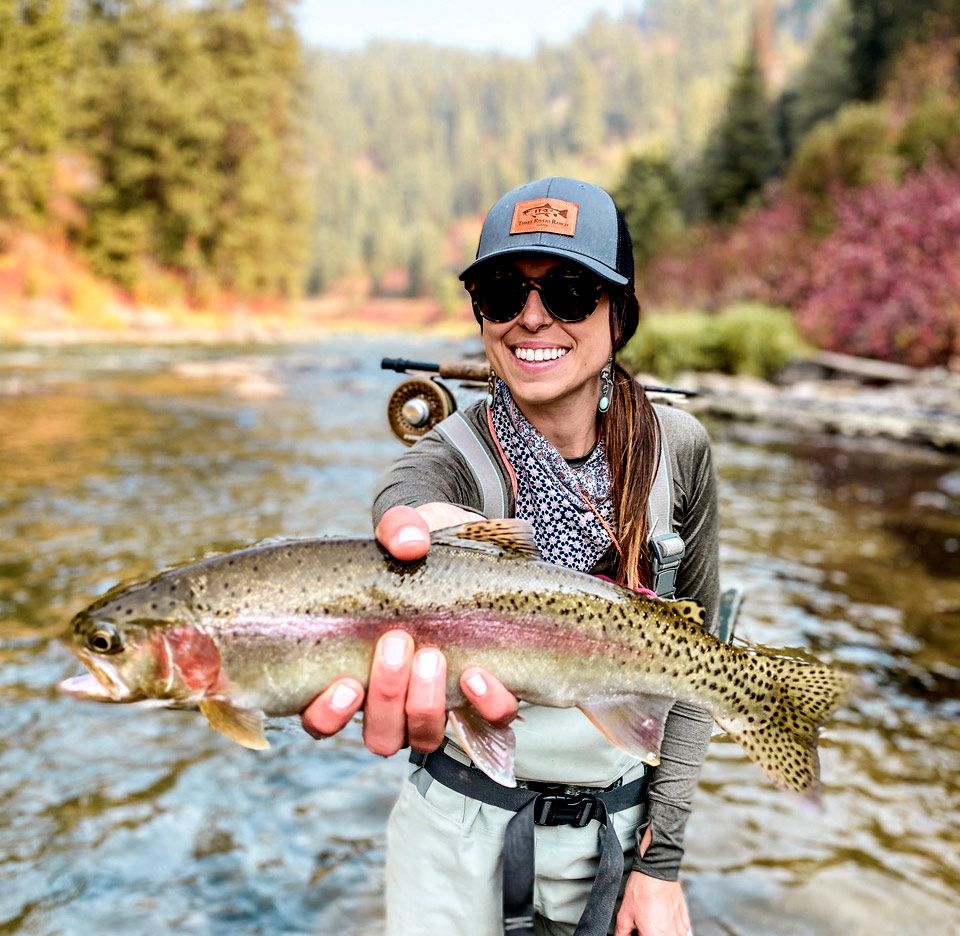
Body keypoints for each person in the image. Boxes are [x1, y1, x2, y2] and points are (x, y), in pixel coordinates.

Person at [301, 177, 719, 936]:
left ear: (618, 316)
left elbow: (698, 663)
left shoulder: (680, 449)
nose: (532, 317)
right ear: (481, 314)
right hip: (456, 839)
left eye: (569, 292)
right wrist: (412, 528)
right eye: (502, 292)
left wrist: (662, 867)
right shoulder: (448, 454)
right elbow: (407, 498)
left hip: (616, 841)